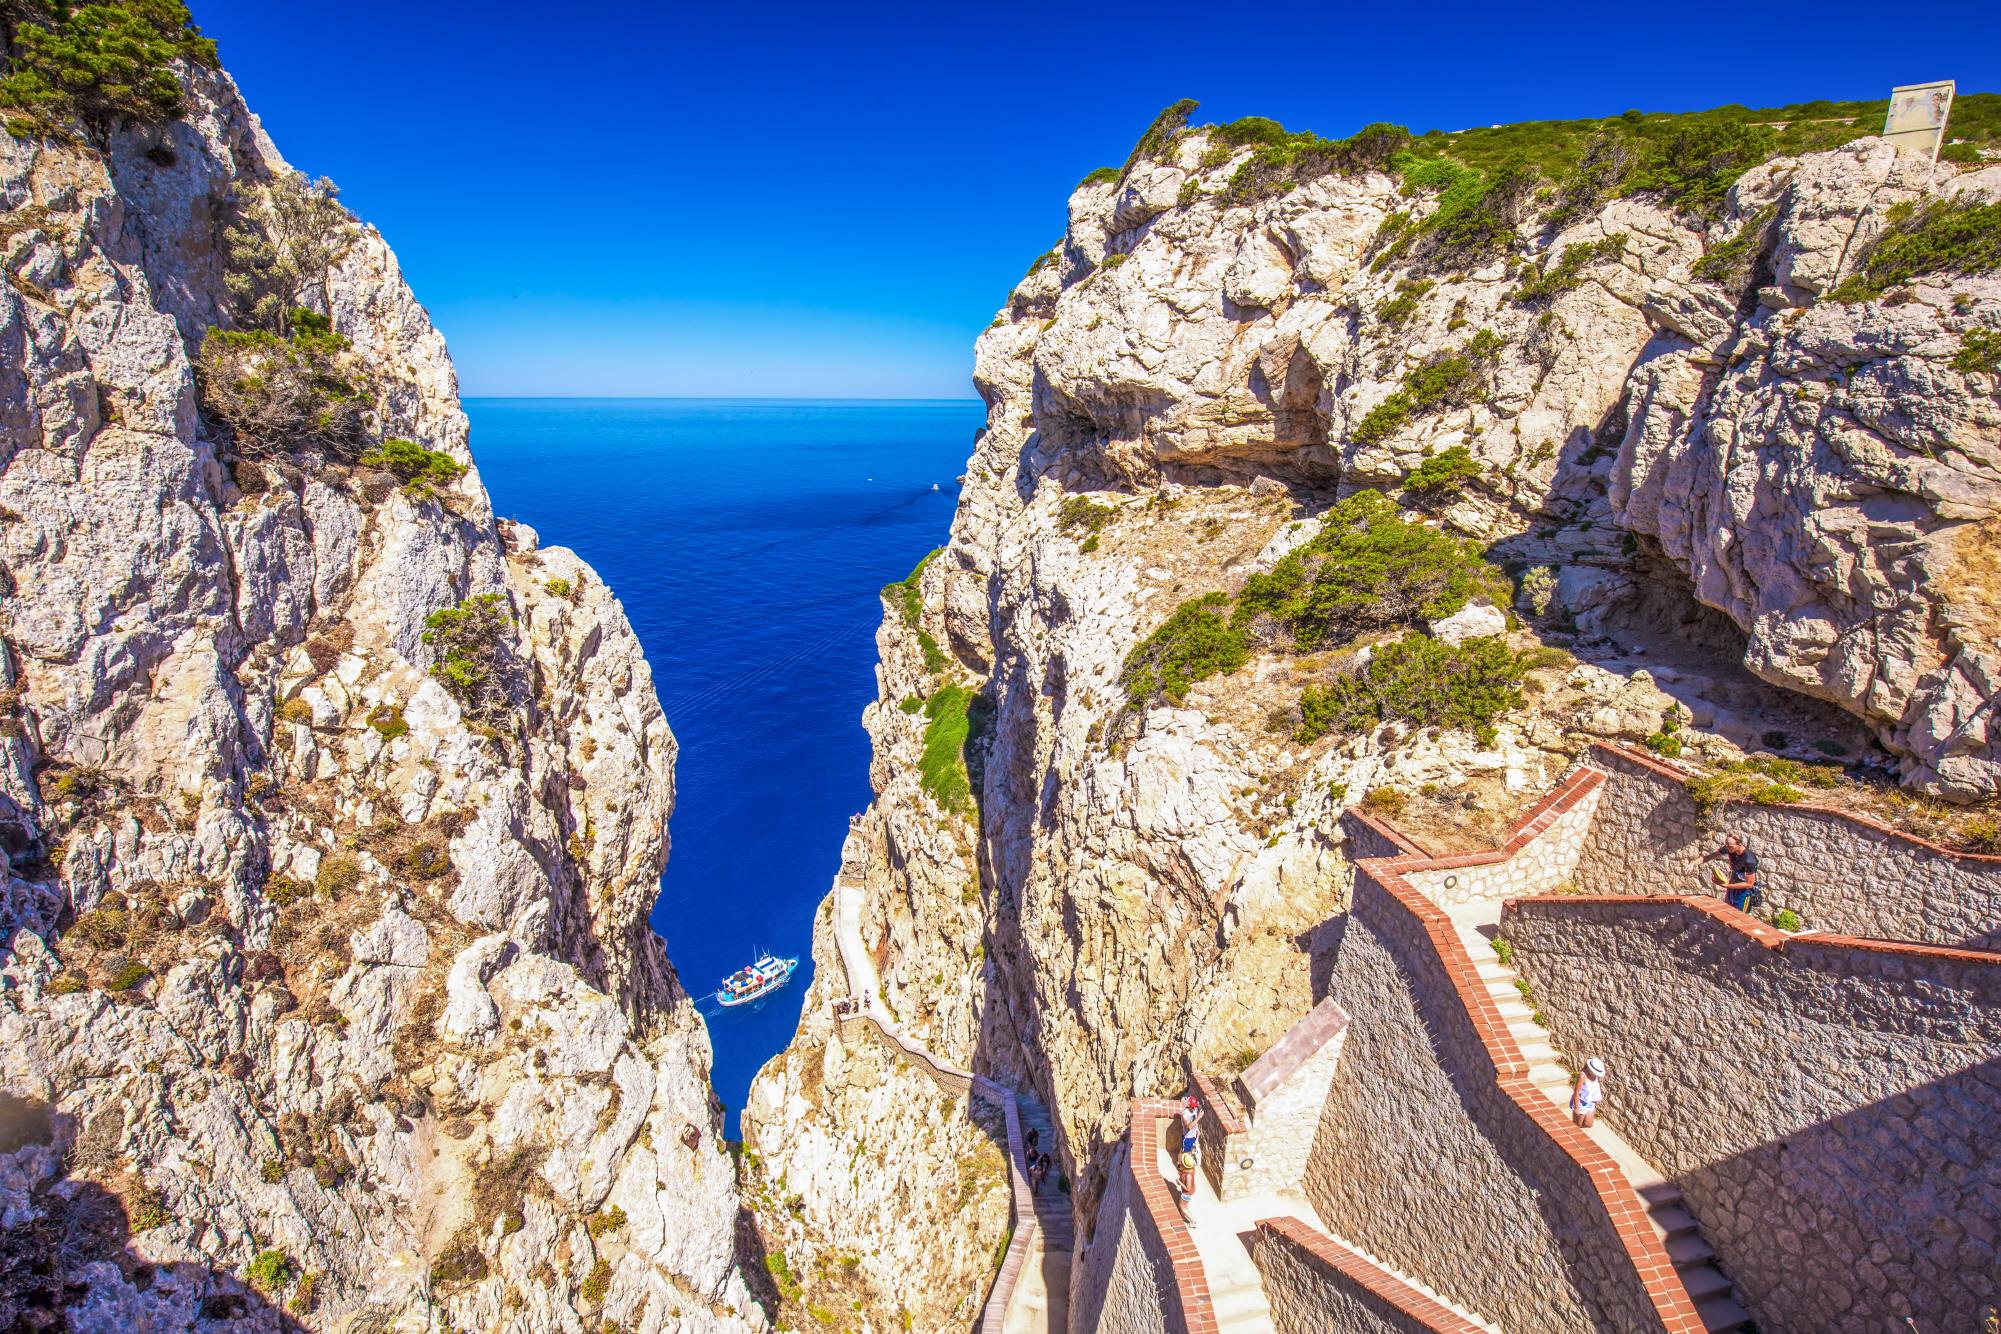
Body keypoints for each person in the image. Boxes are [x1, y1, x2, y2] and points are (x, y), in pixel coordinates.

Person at [1704, 833, 1761, 913]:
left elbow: (1749, 884)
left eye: (1730, 846)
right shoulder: (1730, 849)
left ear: (1739, 844)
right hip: (1732, 887)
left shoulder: (1749, 860)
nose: (1727, 848)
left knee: (1739, 915)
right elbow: (1709, 857)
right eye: (1726, 845)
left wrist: (1726, 885)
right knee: (1727, 911)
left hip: (1744, 893)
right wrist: (1693, 863)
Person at [1571, 1056, 1606, 1128]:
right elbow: (1576, 1092)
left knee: (1588, 1124)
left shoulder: (1595, 1076)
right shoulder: (1582, 1076)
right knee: (1578, 1125)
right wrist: (1576, 1107)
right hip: (1582, 1102)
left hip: (1590, 1102)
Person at [1175, 1149, 1197, 1218]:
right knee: (1185, 1205)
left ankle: (1193, 1221)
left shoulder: (1188, 1176)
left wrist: (1179, 1182)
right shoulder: (1191, 1169)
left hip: (1186, 1193)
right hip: (1189, 1192)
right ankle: (1183, 1214)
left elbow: (1188, 1188)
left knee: (1182, 1206)